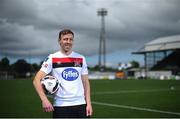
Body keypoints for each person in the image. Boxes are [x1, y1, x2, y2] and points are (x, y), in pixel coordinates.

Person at [33, 29, 93, 118]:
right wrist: (44, 100)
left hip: (81, 105)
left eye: (70, 39)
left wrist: (88, 103)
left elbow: (86, 83)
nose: (68, 42)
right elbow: (36, 80)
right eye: (65, 39)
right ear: (59, 41)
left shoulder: (81, 58)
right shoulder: (52, 58)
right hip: (61, 107)